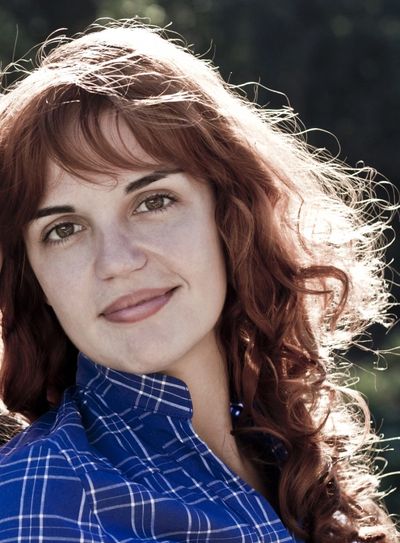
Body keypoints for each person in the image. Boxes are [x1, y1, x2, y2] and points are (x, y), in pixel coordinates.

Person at [0, 19, 398, 543]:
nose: (116, 261)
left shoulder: (284, 451)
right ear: (35, 278)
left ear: (230, 216)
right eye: (64, 229)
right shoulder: (38, 503)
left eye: (153, 201)